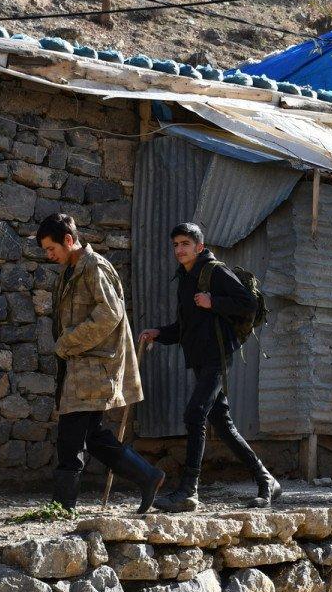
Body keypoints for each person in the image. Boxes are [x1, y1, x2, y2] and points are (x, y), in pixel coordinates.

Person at [139, 222, 282, 512]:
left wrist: (213, 301)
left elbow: (248, 305)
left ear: (199, 247)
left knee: (195, 413)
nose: (179, 250)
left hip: (217, 356)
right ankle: (266, 479)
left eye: (185, 244)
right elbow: (184, 327)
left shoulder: (215, 271)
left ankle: (189, 491)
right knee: (223, 425)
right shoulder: (185, 278)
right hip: (200, 359)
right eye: (176, 245)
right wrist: (158, 333)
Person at [37, 213, 164, 513]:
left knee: (71, 438)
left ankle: (61, 508)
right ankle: (148, 476)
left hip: (93, 368)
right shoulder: (69, 270)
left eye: (50, 248)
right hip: (80, 367)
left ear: (68, 240)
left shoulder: (94, 267)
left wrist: (68, 341)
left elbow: (110, 314)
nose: (48, 255)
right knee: (92, 437)